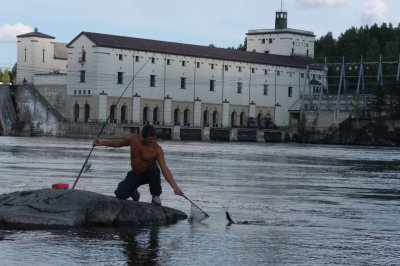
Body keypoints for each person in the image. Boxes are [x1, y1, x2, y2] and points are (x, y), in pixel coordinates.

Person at [93, 124, 183, 206]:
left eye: (154, 138)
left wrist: (174, 187)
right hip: (136, 174)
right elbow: (119, 143)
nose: (152, 141)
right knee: (120, 194)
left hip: (149, 175)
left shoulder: (157, 149)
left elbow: (165, 169)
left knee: (155, 170)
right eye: (150, 139)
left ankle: (155, 196)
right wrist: (101, 143)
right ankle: (133, 190)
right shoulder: (134, 139)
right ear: (142, 137)